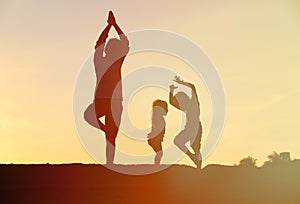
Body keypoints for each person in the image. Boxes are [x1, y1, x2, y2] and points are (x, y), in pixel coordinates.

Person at [89, 11, 129, 165]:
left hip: (115, 101)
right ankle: (106, 130)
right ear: (108, 50)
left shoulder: (116, 61)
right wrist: (110, 26)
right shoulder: (99, 60)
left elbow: (125, 43)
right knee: (89, 116)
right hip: (103, 100)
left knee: (112, 138)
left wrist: (113, 25)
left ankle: (109, 164)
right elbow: (101, 43)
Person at [169, 76, 202, 168]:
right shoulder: (185, 107)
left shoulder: (194, 102)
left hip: (195, 127)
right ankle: (194, 159)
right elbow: (171, 102)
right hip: (189, 127)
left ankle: (198, 164)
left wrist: (181, 83)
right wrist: (171, 91)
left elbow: (193, 87)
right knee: (178, 141)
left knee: (196, 148)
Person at [147, 99, 168, 165]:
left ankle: (156, 165)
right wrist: (156, 133)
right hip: (154, 138)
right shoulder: (156, 118)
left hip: (156, 138)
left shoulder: (160, 118)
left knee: (159, 153)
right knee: (160, 153)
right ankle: (156, 165)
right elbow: (155, 126)